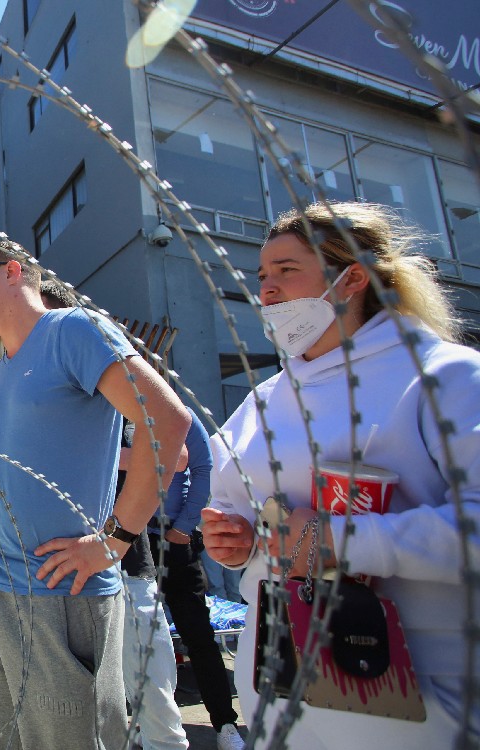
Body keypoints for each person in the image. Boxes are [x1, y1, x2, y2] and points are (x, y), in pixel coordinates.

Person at [202, 201, 480, 748]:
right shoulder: (263, 401)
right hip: (278, 681)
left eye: (287, 270)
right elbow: (230, 504)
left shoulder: (444, 377)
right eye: (262, 275)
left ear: (351, 278)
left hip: (414, 694)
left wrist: (337, 539)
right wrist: (232, 539)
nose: (268, 290)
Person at [0, 241, 191, 749]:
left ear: (13, 272)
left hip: (61, 595)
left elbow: (166, 422)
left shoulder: (72, 331)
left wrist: (114, 542)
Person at [42, 278, 189, 750]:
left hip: (125, 562)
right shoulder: (48, 393)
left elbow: (176, 450)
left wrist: (97, 457)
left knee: (150, 686)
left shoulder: (109, 391)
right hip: (68, 570)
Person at [147, 411, 244, 750]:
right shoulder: (113, 414)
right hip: (132, 544)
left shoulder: (181, 416)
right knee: (140, 640)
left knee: (199, 637)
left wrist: (183, 528)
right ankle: (150, 729)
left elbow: (201, 468)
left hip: (175, 541)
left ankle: (225, 724)